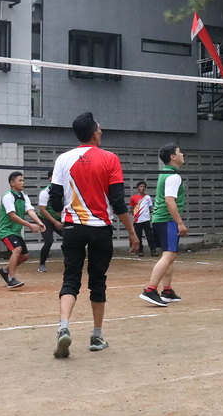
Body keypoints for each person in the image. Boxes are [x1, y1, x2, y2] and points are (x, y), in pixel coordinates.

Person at [49, 112, 139, 358]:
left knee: (70, 279)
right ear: (94, 133)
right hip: (100, 229)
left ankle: (63, 327)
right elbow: (118, 202)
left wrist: (69, 210)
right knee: (97, 281)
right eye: (99, 129)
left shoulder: (62, 159)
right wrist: (132, 232)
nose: (101, 132)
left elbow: (55, 200)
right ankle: (97, 336)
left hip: (72, 228)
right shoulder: (110, 158)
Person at [139, 144, 187, 307]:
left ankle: (167, 291)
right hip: (167, 219)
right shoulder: (173, 176)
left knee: (170, 255)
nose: (182, 154)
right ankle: (150, 290)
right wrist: (180, 223)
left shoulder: (165, 172)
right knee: (169, 255)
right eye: (179, 152)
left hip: (160, 219)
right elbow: (169, 200)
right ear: (173, 157)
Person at [0, 171, 46, 289]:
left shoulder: (24, 196)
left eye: (23, 180)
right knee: (17, 249)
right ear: (12, 183)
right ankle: (11, 279)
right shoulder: (8, 196)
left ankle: (4, 271)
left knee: (24, 256)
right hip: (5, 230)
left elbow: (30, 211)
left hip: (15, 231)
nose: (23, 182)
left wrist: (39, 222)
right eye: (20, 181)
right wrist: (29, 225)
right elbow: (12, 216)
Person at [37, 171, 64, 272]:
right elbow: (42, 210)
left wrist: (62, 219)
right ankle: (42, 264)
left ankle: (70, 261)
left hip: (58, 217)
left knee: (69, 237)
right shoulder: (45, 192)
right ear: (50, 179)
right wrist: (55, 222)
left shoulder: (64, 190)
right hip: (45, 219)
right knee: (48, 241)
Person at [129, 181, 159, 257]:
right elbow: (131, 208)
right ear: (137, 188)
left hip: (146, 220)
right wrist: (134, 216)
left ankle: (153, 250)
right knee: (138, 236)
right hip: (137, 221)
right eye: (140, 186)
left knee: (149, 236)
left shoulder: (148, 197)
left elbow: (150, 208)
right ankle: (140, 251)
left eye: (143, 187)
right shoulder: (133, 198)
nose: (142, 188)